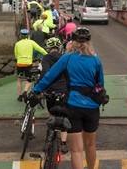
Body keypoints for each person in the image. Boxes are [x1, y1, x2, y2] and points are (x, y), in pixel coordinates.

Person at [33, 27, 104, 169]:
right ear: (89, 42)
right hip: (92, 107)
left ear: (73, 42)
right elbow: (100, 84)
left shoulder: (68, 58)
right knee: (90, 145)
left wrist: (36, 90)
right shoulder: (96, 60)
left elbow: (50, 76)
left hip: (73, 105)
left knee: (76, 149)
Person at [40, 37, 69, 154]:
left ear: (49, 48)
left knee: (51, 112)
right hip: (64, 89)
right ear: (59, 47)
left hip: (51, 89)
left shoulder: (46, 58)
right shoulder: (65, 58)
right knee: (64, 115)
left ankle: (49, 139)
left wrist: (40, 88)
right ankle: (63, 143)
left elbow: (45, 73)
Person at [14, 29, 47, 102]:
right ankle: (25, 92)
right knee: (28, 80)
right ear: (28, 35)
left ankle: (20, 96)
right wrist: (47, 54)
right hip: (28, 63)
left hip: (20, 63)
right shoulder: (31, 42)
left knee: (19, 80)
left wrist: (19, 58)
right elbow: (40, 49)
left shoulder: (17, 44)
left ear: (20, 35)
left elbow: (16, 54)